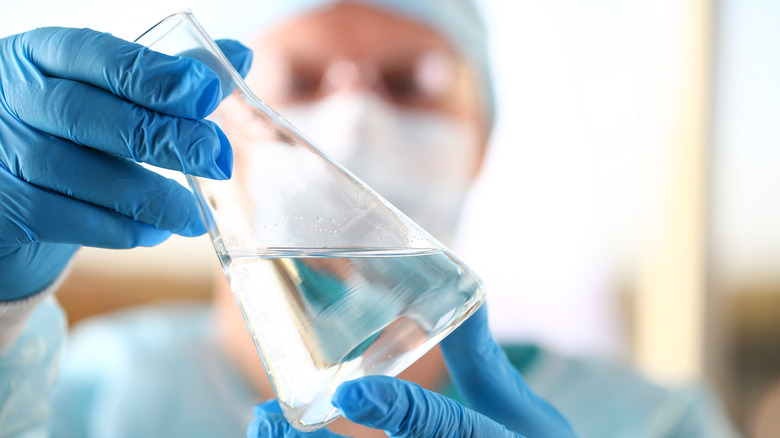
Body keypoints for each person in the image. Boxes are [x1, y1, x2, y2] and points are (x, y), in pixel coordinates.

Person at [0, 1, 739, 437]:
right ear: (209, 118)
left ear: (484, 136)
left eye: (409, 81)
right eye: (300, 78)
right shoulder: (88, 393)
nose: (352, 121)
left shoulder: (651, 420)